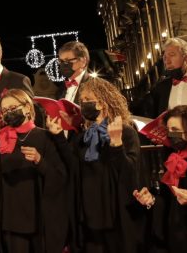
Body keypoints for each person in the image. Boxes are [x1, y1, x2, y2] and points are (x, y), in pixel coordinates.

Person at [48, 77, 142, 253]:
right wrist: (59, 136)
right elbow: (74, 165)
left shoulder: (126, 132)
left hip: (114, 210)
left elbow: (129, 172)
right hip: (88, 209)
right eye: (81, 101)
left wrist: (116, 143)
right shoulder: (85, 135)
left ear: (103, 102)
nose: (83, 104)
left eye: (87, 100)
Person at [0, 88, 66, 253]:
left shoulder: (45, 137)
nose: (9, 112)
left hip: (39, 217)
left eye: (13, 108)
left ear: (28, 108)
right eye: (5, 110)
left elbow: (59, 176)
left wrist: (39, 160)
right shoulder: (2, 137)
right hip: (11, 216)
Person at [131, 104, 187, 253]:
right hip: (176, 235)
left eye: (175, 130)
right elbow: (167, 196)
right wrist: (151, 197)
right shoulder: (175, 156)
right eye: (168, 130)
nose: (170, 134)